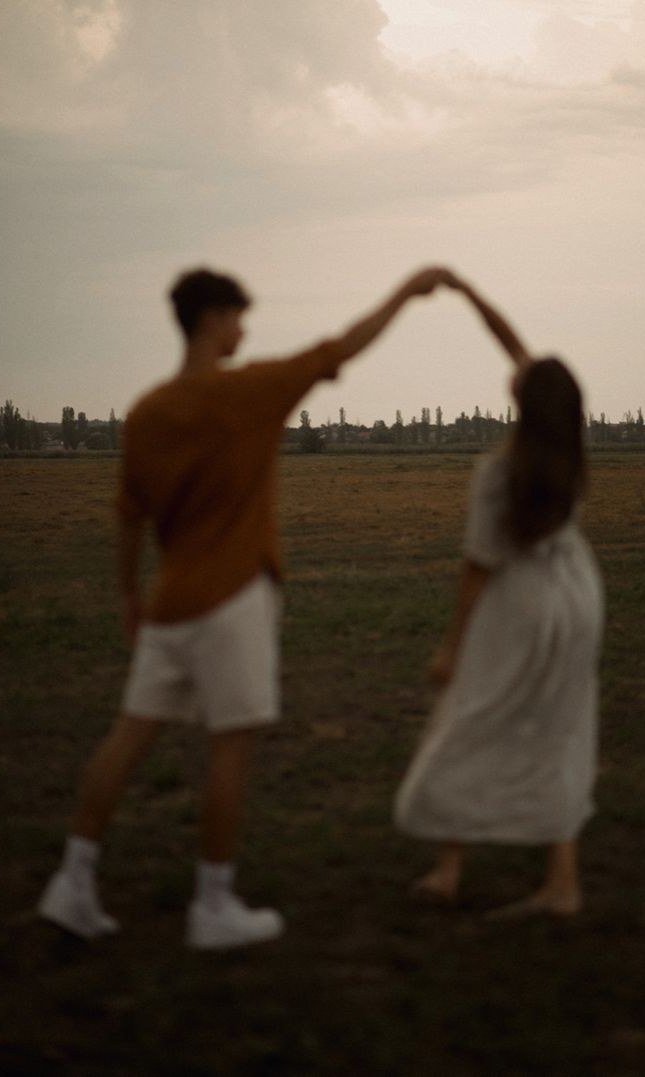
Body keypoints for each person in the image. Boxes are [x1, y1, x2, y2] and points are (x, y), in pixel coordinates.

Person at [39, 263, 455, 949]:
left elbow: (127, 519)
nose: (245, 327)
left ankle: (72, 881)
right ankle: (214, 901)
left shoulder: (146, 412)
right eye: (238, 314)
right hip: (233, 599)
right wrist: (408, 291)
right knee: (230, 746)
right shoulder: (252, 392)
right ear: (211, 317)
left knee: (128, 736)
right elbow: (344, 345)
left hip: (169, 602)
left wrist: (128, 594)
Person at [394, 281, 604, 917]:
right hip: (580, 595)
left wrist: (451, 647)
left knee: (471, 717)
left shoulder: (500, 471)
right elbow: (519, 351)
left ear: (520, 400)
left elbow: (477, 570)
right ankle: (561, 881)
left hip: (522, 602)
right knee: (561, 727)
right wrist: (468, 295)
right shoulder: (568, 446)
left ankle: (449, 868)